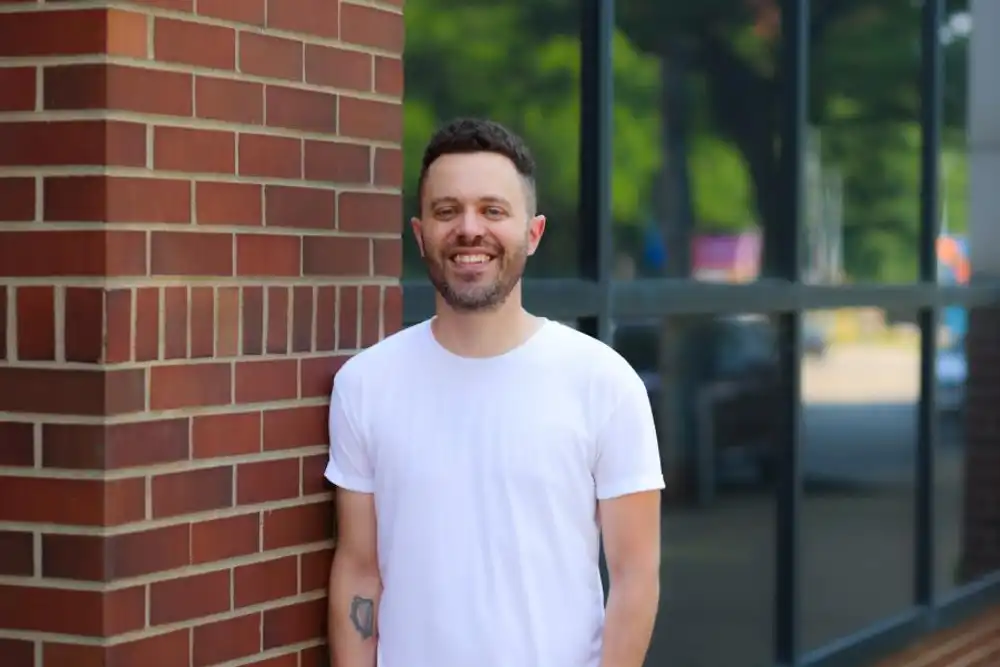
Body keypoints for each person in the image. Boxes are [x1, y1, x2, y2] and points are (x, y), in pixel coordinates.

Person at [326, 118, 664, 667]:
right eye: (446, 210)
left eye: (493, 210)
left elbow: (634, 577)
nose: (468, 229)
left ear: (532, 234)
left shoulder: (602, 381)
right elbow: (359, 571)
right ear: (419, 235)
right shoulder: (365, 384)